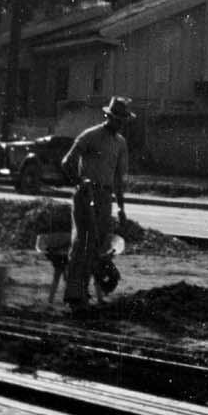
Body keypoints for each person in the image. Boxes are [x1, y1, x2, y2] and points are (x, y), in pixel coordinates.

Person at [62, 97, 132, 310]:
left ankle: (89, 292)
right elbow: (67, 162)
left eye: (122, 120)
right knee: (82, 242)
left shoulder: (120, 143)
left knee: (99, 244)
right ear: (107, 116)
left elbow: (119, 179)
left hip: (105, 197)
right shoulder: (90, 136)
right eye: (115, 118)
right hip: (86, 194)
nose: (118, 123)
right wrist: (79, 182)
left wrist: (121, 208)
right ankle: (74, 294)